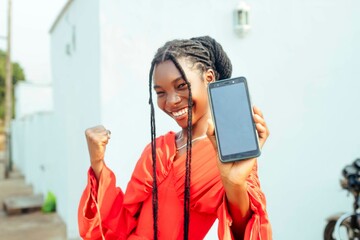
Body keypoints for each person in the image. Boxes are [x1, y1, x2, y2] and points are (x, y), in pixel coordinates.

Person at [78, 36, 272, 240]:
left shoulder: (226, 152)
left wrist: (233, 183)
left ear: (209, 78)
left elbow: (246, 229)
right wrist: (98, 163)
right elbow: (122, 224)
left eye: (181, 86)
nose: (171, 101)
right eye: (161, 92)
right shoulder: (159, 148)